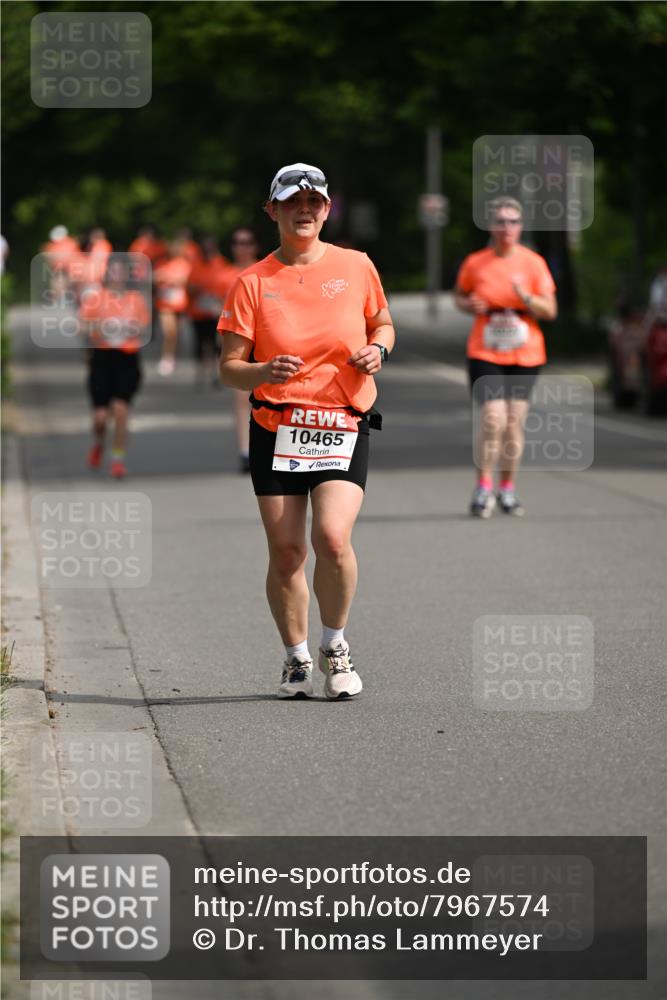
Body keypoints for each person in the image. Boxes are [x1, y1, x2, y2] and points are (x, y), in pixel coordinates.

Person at [219, 163, 394, 699]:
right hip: (277, 425)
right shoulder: (252, 282)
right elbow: (229, 367)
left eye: (314, 201)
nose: (304, 209)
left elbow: (382, 322)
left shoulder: (356, 266)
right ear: (272, 210)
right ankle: (296, 659)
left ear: (326, 209)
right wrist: (261, 371)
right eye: (292, 201)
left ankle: (334, 646)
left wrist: (378, 350)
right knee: (288, 552)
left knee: (333, 539)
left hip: (342, 421)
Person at [454, 196, 557, 518]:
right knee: (493, 418)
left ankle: (507, 489)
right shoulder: (476, 262)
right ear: (491, 226)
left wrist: (525, 297)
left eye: (512, 221)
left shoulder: (533, 263)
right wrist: (469, 305)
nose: (506, 227)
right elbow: (459, 295)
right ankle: (484, 487)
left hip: (525, 353)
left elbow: (550, 310)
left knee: (513, 423)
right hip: (485, 350)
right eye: (500, 221)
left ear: (521, 226)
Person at [79, 257, 150, 478]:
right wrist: (100, 326)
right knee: (100, 418)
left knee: (120, 410)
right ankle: (99, 442)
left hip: (127, 359)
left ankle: (117, 459)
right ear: (107, 275)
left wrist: (132, 326)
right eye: (113, 272)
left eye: (121, 272)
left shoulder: (135, 299)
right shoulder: (96, 298)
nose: (117, 276)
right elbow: (81, 324)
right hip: (102, 358)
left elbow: (144, 325)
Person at [222, 228, 260, 471]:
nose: (242, 246)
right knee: (241, 397)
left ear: (255, 245)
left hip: (267, 341)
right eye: (237, 242)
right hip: (239, 340)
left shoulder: (268, 270)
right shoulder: (225, 275)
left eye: (247, 242)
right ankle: (245, 452)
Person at [187, 235, 232, 387]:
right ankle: (200, 374)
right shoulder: (196, 264)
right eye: (205, 248)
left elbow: (228, 287)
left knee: (215, 344)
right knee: (200, 343)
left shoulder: (221, 263)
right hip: (198, 312)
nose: (208, 251)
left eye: (210, 247)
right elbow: (189, 287)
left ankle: (215, 373)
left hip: (216, 311)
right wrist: (199, 288)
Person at [154, 239, 192, 376]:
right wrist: (166, 279)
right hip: (165, 303)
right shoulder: (162, 262)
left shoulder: (184, 264)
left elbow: (185, 280)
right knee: (169, 331)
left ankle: (173, 355)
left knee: (177, 333)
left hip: (180, 304)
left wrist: (168, 279)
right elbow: (155, 277)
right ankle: (167, 357)